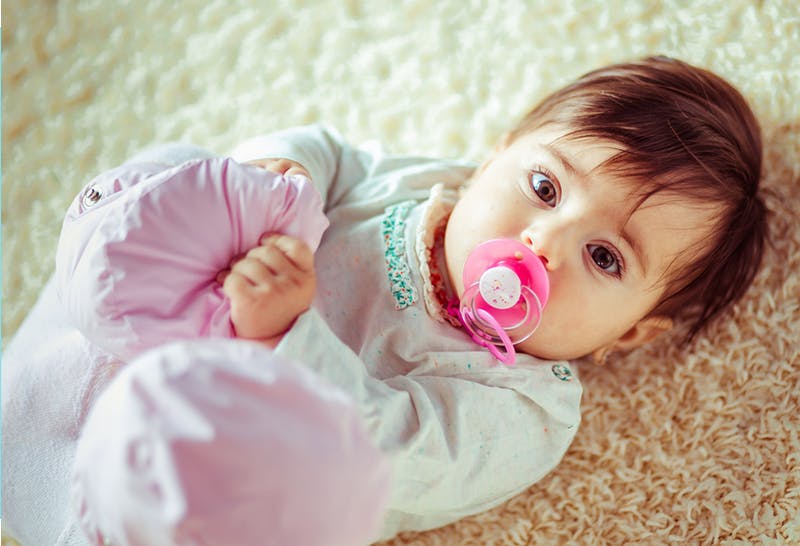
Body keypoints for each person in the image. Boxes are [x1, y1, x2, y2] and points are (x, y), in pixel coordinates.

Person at [1, 56, 767, 546]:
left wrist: (285, 332)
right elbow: (333, 153)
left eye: (603, 257)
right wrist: (284, 175)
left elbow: (389, 453)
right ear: (498, 154)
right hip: (88, 357)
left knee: (279, 481)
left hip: (166, 484)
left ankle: (125, 450)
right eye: (544, 186)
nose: (543, 243)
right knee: (189, 167)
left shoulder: (527, 411)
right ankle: (102, 285)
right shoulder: (425, 185)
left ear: (628, 335)